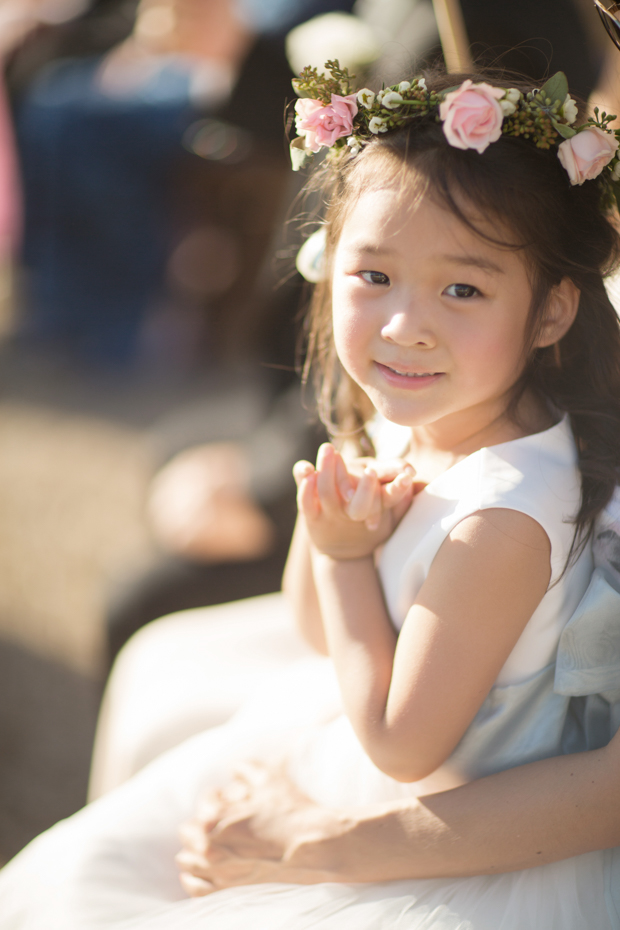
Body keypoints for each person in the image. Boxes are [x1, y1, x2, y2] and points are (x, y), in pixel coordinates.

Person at [2, 63, 620, 929]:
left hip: (444, 819)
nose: (406, 324)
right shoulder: (427, 418)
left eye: (463, 288)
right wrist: (330, 523)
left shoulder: (501, 520)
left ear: (553, 312)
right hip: (376, 750)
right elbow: (315, 631)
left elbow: (405, 748)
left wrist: (343, 554)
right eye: (373, 277)